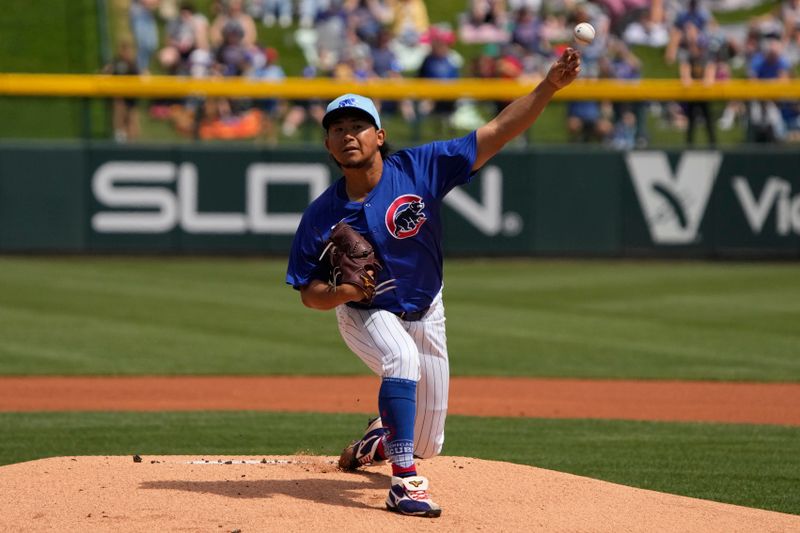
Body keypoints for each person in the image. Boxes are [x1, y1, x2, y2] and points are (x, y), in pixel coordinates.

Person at [285, 47, 581, 518]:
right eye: (336, 129)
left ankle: (380, 438)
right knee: (398, 358)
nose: (347, 135)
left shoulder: (420, 169)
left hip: (427, 309)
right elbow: (308, 292)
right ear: (327, 145)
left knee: (429, 441)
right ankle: (403, 484)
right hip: (366, 313)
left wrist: (548, 87)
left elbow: (499, 130)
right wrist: (343, 292)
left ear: (379, 136)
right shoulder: (320, 215)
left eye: (358, 126)